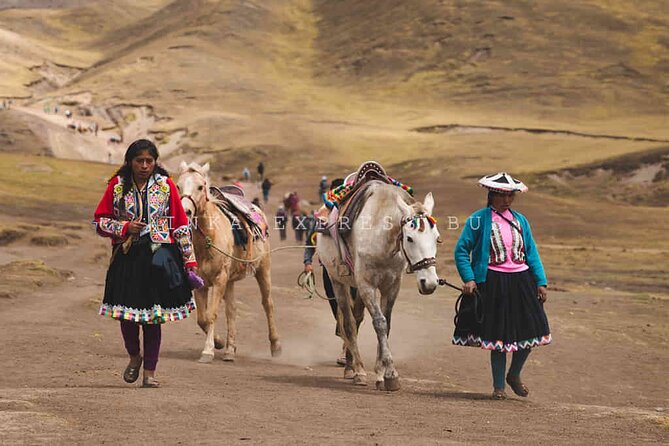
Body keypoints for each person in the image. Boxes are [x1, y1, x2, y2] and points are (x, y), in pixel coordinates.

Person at [93, 139, 198, 388]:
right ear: (130, 161)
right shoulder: (117, 187)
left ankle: (149, 372)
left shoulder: (166, 186)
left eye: (149, 161)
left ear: (155, 162)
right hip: (127, 258)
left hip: (160, 257)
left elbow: (181, 225)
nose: (144, 165)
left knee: (154, 318)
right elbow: (99, 222)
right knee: (127, 317)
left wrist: (189, 260)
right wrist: (125, 227)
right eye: (139, 161)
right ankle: (134, 356)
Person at [452, 172, 550, 400]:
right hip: (493, 282)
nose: (507, 200)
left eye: (511, 196)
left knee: (531, 332)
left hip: (522, 281)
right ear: (492, 194)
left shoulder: (521, 220)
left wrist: (541, 281)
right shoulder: (478, 220)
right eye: (503, 195)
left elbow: (531, 252)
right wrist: (469, 278)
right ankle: (499, 388)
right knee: (499, 338)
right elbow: (461, 250)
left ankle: (513, 374)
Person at [303, 178, 357, 366]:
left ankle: (347, 346)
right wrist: (307, 261)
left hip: (354, 270)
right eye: (335, 192)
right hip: (329, 268)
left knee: (354, 306)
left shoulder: (355, 214)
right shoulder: (321, 214)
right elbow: (311, 240)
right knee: (338, 306)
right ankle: (345, 339)